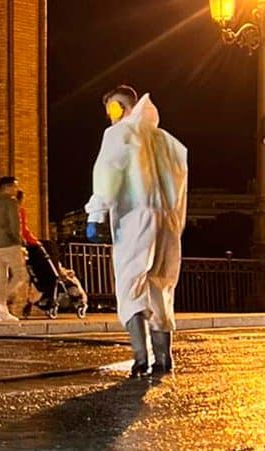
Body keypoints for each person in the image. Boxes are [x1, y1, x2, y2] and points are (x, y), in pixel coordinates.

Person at [84, 85, 188, 377]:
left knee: (131, 283)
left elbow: (109, 171)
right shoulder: (167, 141)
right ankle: (164, 359)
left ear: (119, 107)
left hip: (134, 217)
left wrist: (96, 213)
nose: (109, 117)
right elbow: (180, 186)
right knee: (161, 286)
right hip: (167, 222)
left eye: (111, 110)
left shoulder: (119, 133)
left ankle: (141, 359)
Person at [0, 176, 26, 321]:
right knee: (21, 275)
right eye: (14, 186)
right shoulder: (11, 201)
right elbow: (15, 224)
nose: (16, 189)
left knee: (1, 277)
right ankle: (0, 303)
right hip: (9, 244)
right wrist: (19, 240)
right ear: (7, 187)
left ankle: (3, 314)